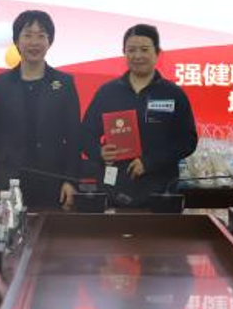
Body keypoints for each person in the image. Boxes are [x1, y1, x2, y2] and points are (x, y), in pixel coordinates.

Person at [82, 24, 198, 207]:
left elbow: (187, 141)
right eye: (131, 50)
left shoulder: (173, 93)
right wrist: (99, 152)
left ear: (157, 53)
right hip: (113, 189)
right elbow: (85, 133)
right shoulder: (107, 92)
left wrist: (150, 162)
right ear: (124, 53)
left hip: (161, 189)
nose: (137, 56)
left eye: (144, 49)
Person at [0, 10, 81, 210]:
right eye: (27, 35)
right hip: (8, 183)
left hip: (53, 182)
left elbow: (74, 137)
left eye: (41, 36)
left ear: (49, 41)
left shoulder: (64, 83)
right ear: (16, 41)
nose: (34, 42)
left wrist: (71, 181)